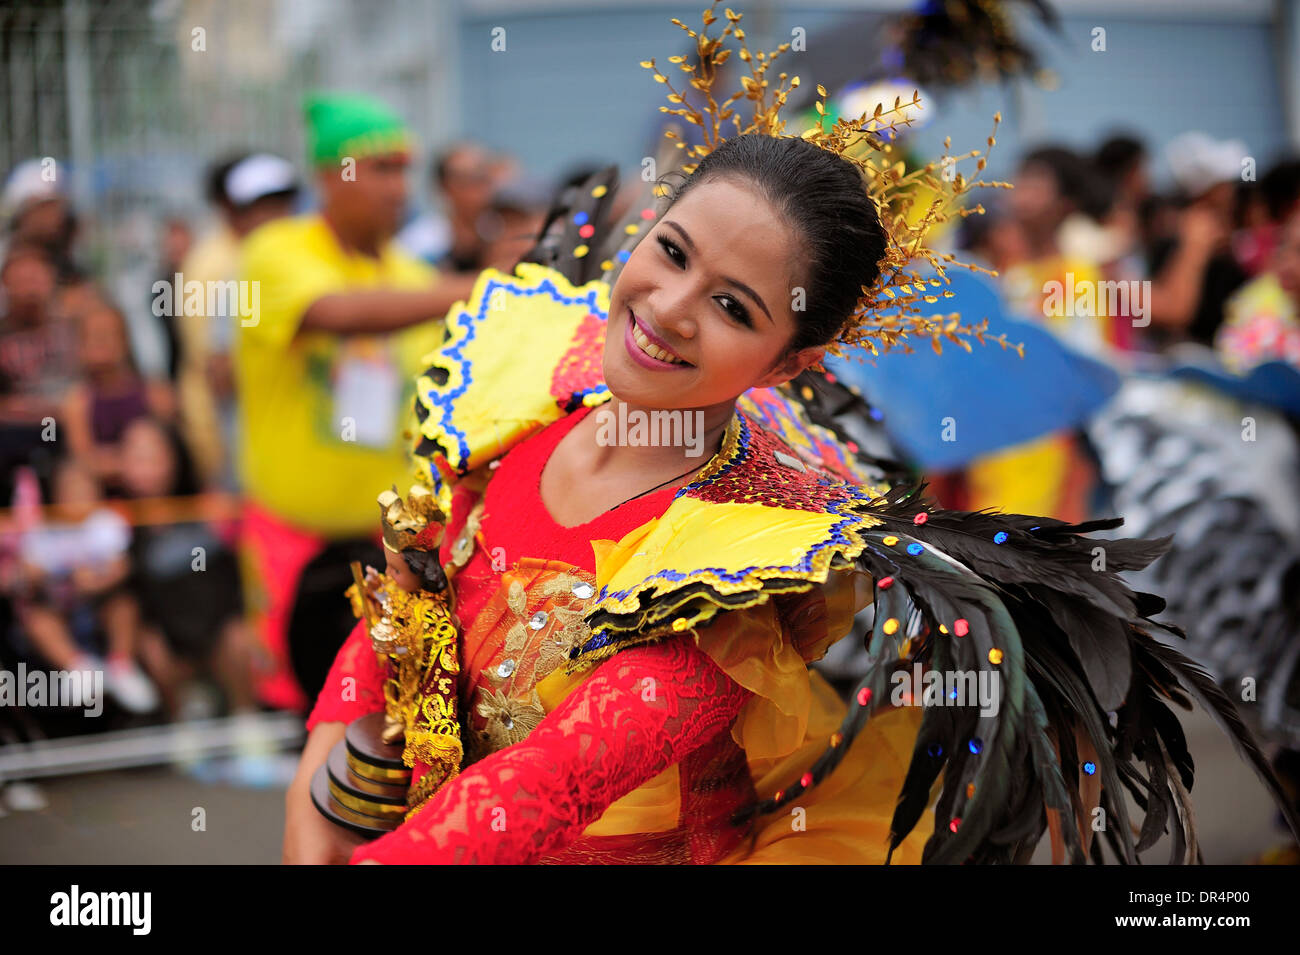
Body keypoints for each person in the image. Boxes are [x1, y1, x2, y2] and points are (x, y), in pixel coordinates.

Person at [283, 6, 1295, 865]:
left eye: (731, 305)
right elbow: (407, 590)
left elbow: (536, 793)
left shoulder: (736, 563)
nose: (668, 308)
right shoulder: (532, 385)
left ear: (787, 363)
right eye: (669, 249)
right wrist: (319, 773)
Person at [234, 94, 482, 711]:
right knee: (309, 727)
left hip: (390, 554)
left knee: (387, 728)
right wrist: (479, 284)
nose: (399, 188)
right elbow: (333, 313)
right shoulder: (277, 251)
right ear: (329, 175)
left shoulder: (413, 275)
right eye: (380, 169)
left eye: (404, 170)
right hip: (297, 550)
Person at [177, 153, 299, 489]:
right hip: (235, 440)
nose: (278, 218)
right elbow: (218, 368)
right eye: (264, 207)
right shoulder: (222, 268)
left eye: (283, 205)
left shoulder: (275, 263)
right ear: (235, 213)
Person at [60, 297, 175, 496]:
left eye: (109, 335)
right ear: (80, 345)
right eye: (94, 336)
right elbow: (84, 461)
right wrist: (135, 463)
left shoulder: (154, 393)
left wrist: (139, 464)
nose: (102, 343)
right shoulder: (78, 401)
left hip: (155, 491)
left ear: (125, 340)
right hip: (103, 498)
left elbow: (169, 455)